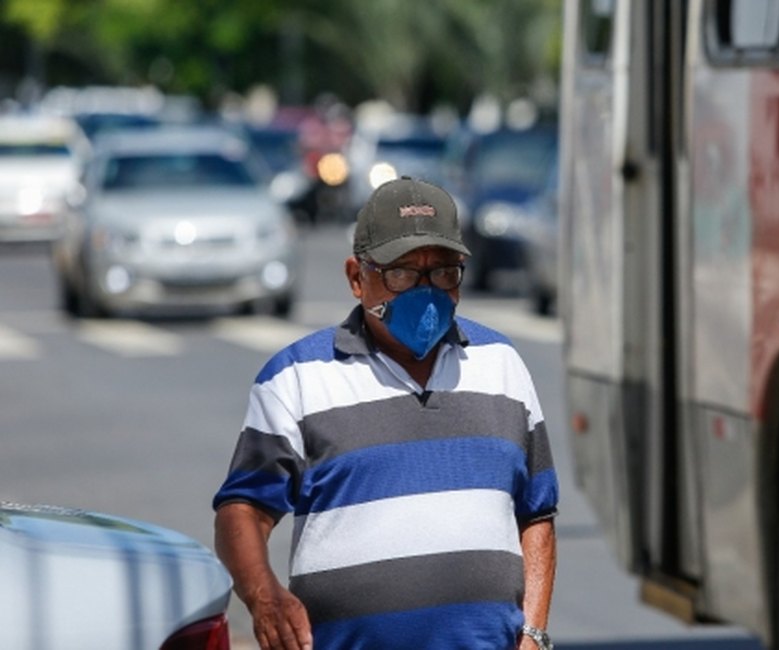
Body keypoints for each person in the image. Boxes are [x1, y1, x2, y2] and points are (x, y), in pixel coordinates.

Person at [212, 177, 559, 650]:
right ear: (357, 278)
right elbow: (243, 510)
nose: (426, 289)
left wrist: (534, 634)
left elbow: (536, 515)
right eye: (402, 272)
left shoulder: (501, 364)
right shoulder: (296, 378)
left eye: (443, 272)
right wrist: (263, 597)